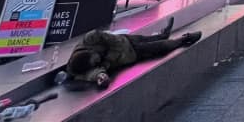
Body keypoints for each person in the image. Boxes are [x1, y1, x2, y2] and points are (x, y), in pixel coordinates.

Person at [64, 19, 201, 88]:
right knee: (160, 47)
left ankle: (163, 34)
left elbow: (114, 42)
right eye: (95, 62)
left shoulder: (90, 38)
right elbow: (91, 74)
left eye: (95, 57)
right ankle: (185, 39)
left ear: (89, 50)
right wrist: (101, 75)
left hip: (126, 41)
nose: (98, 60)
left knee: (151, 39)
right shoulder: (80, 71)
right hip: (132, 54)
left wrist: (108, 60)